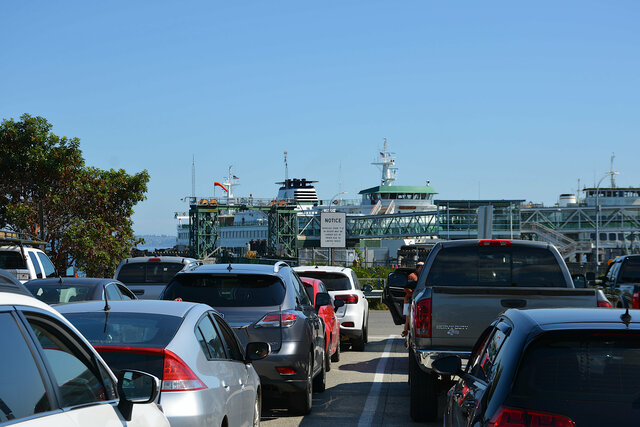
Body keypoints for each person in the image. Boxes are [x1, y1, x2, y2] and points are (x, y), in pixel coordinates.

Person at [402, 262, 423, 337]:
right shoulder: (412, 276)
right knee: (408, 318)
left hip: (416, 300)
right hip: (408, 300)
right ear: (419, 268)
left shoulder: (421, 276)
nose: (422, 269)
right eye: (421, 268)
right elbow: (406, 288)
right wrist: (413, 293)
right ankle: (405, 332)